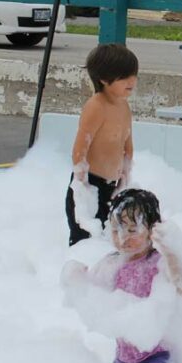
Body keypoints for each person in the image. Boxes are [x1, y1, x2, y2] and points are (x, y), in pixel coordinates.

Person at [62, 189, 182, 363]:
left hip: (159, 355)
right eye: (116, 229)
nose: (122, 238)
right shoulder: (111, 263)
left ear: (152, 230)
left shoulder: (159, 263)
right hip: (124, 359)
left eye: (131, 230)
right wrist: (77, 279)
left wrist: (171, 250)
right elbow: (93, 295)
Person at [66, 43, 138, 245]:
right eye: (124, 77)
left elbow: (127, 142)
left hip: (112, 186)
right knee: (86, 240)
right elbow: (81, 146)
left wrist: (125, 174)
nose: (132, 81)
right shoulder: (96, 106)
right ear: (105, 80)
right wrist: (81, 185)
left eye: (134, 75)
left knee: (109, 238)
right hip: (89, 185)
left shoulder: (123, 105)